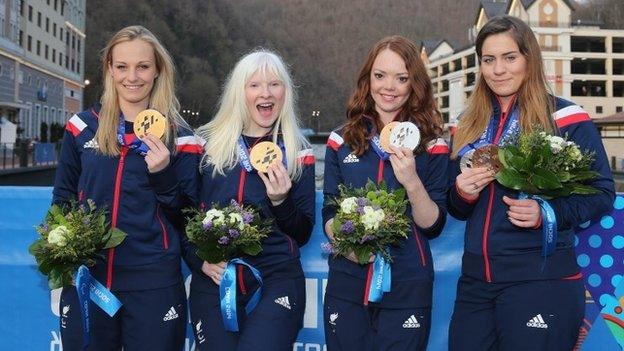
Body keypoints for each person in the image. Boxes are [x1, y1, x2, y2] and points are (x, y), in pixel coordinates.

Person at [447, 15, 615, 351]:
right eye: (489, 60)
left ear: (529, 59)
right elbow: (453, 205)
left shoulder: (566, 118)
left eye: (510, 57)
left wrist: (546, 213)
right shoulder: (467, 124)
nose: (498, 70)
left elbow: (601, 193)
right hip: (476, 283)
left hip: (540, 280)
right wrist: (462, 193)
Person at [53, 25, 202, 350]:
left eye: (143, 66)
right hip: (89, 280)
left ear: (158, 70)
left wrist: (162, 175)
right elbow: (63, 201)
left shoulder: (181, 136)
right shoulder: (81, 127)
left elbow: (190, 219)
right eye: (122, 66)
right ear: (109, 68)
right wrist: (64, 256)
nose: (132, 77)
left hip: (154, 284)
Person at [322, 35, 450, 351]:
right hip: (347, 282)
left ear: (414, 84)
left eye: (401, 78)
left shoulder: (432, 143)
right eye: (380, 76)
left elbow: (433, 225)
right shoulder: (341, 140)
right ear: (368, 80)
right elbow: (329, 212)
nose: (388, 87)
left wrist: (412, 182)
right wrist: (343, 242)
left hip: (408, 285)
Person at [184, 49, 315, 351]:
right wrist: (199, 260)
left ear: (286, 92)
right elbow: (182, 215)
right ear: (238, 92)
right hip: (215, 280)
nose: (265, 93)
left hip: (276, 279)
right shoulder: (206, 147)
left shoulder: (298, 152)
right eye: (254, 85)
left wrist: (281, 201)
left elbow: (303, 232)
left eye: (274, 84)